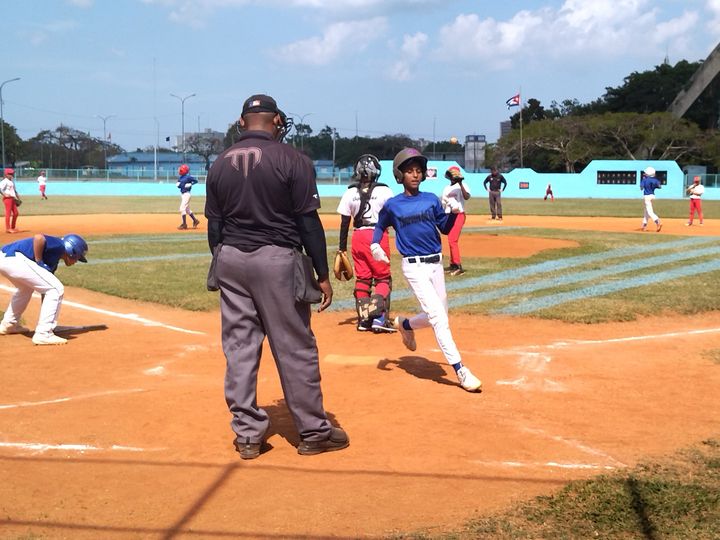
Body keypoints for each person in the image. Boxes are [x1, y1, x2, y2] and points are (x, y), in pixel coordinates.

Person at [204, 93, 349, 460]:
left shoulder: (220, 163)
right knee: (294, 346)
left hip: (231, 258)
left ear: (241, 123)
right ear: (278, 122)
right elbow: (307, 223)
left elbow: (214, 227)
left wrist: (225, 261)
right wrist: (321, 273)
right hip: (276, 260)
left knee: (239, 347)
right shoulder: (292, 159)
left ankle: (248, 435)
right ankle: (314, 431)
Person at [371, 148, 482, 393]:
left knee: (438, 316)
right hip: (414, 268)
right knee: (439, 319)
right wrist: (374, 244)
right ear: (400, 175)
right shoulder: (393, 205)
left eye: (418, 170)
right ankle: (461, 370)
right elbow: (380, 226)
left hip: (435, 265)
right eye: (410, 171)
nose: (415, 174)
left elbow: (444, 227)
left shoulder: (431, 199)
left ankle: (405, 325)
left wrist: (454, 214)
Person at [336, 154, 395, 332]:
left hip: (358, 237)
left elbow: (345, 223)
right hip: (377, 235)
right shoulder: (384, 191)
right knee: (383, 278)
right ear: (376, 172)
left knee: (363, 279)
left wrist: (341, 249)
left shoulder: (349, 192)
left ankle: (364, 320)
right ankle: (378, 319)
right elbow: (394, 216)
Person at [0, 233, 88, 345]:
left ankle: (9, 324)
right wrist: (39, 261)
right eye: (78, 257)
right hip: (15, 260)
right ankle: (44, 333)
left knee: (26, 289)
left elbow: (46, 292)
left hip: (5, 259)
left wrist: (48, 317)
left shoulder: (53, 261)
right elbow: (39, 238)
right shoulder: (59, 245)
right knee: (56, 289)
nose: (76, 261)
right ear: (72, 250)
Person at [441, 165, 471, 276]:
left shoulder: (462, 186)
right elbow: (444, 203)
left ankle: (458, 266)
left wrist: (461, 183)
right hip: (449, 215)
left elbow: (467, 197)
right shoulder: (446, 188)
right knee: (450, 239)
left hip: (459, 215)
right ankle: (453, 264)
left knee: (452, 240)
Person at [176, 164, 200, 230]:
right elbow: (179, 185)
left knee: (182, 208)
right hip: (183, 195)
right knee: (187, 210)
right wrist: (178, 185)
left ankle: (184, 224)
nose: (180, 170)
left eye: (181, 169)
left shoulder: (188, 177)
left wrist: (191, 184)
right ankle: (195, 221)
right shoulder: (180, 177)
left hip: (187, 194)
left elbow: (196, 181)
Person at [640, 166, 662, 232]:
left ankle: (657, 221)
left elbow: (641, 188)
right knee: (646, 210)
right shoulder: (655, 180)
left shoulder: (644, 180)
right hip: (652, 195)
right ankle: (644, 225)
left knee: (649, 211)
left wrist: (644, 181)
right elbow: (659, 186)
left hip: (647, 196)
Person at [1, 168, 21, 233]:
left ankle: (13, 227)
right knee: (8, 213)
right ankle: (8, 228)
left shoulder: (11, 181)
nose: (12, 174)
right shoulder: (4, 181)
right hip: (7, 199)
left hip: (12, 198)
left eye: (12, 173)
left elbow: (14, 190)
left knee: (16, 213)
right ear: (6, 174)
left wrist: (18, 197)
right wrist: (4, 194)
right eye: (10, 173)